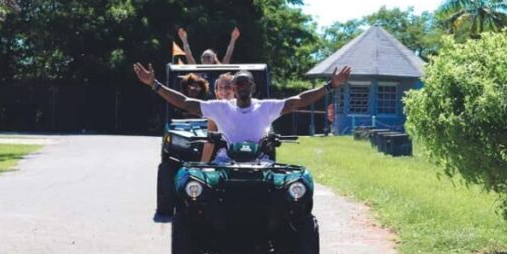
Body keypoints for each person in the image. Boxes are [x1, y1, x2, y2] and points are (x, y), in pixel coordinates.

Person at [133, 62, 351, 156]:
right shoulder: (220, 108)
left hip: (260, 162)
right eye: (237, 84)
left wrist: (330, 86)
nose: (241, 87)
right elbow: (184, 102)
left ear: (252, 87)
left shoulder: (266, 107)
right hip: (225, 162)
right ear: (233, 89)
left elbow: (299, 100)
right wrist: (154, 84)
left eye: (246, 83)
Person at [200, 73, 235, 162]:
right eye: (220, 88)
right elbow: (210, 141)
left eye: (227, 87)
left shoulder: (248, 107)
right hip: (225, 159)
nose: (224, 91)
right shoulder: (214, 111)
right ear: (216, 92)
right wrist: (202, 165)